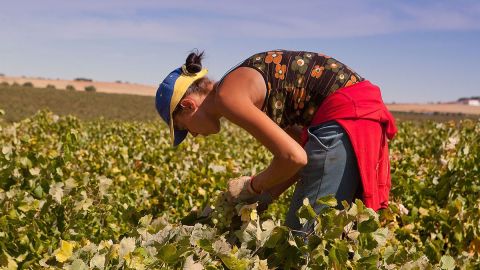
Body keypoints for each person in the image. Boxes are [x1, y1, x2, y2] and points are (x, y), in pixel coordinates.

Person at [155, 49, 397, 233]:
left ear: (188, 106)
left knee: (302, 244)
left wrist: (251, 186)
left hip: (345, 119)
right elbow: (299, 156)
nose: (194, 135)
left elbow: (294, 157)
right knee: (337, 238)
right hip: (358, 118)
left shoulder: (227, 97)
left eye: (186, 129)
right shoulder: (244, 88)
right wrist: (262, 199)